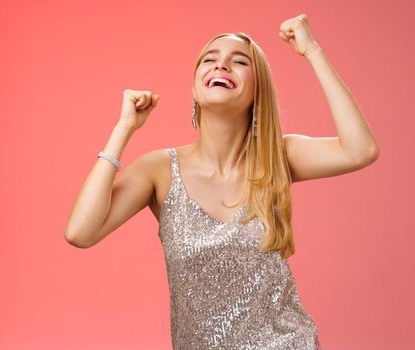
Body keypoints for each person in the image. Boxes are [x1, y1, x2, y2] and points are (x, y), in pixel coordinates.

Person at [64, 13, 379, 350]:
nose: (221, 66)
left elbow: (361, 149)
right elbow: (80, 233)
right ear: (195, 89)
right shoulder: (159, 170)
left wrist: (312, 50)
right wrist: (123, 129)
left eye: (239, 61)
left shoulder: (278, 156)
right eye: (210, 60)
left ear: (258, 88)